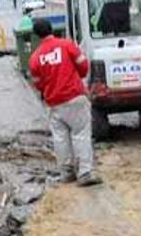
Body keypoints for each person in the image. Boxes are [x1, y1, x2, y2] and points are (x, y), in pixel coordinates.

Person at [29, 18, 103, 187]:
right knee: (81, 133)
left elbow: (38, 83)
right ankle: (85, 172)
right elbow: (83, 66)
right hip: (74, 97)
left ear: (36, 35)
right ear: (51, 29)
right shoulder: (66, 45)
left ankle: (66, 172)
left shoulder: (35, 58)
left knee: (60, 137)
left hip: (54, 103)